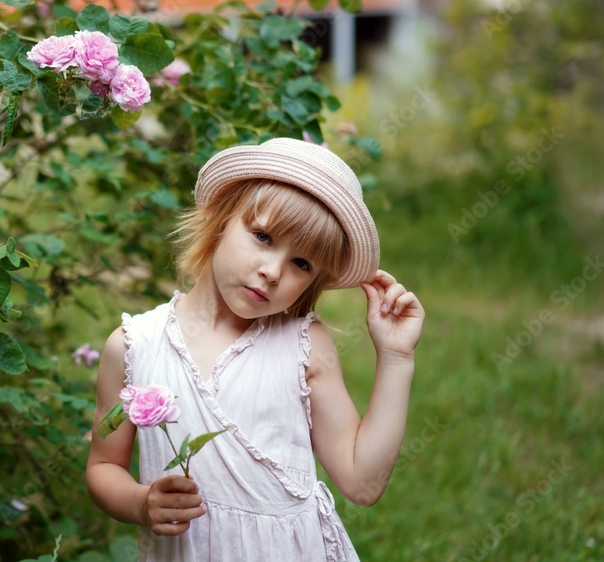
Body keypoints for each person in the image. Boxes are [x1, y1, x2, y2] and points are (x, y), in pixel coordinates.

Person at [85, 137, 425, 561]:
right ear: (223, 218)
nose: (272, 271)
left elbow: (363, 483)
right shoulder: (135, 346)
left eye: (301, 264)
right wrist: (140, 502)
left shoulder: (303, 346)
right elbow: (103, 467)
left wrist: (396, 358)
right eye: (263, 236)